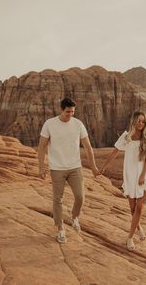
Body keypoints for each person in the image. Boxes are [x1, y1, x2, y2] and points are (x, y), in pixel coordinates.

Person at [38, 97, 100, 243]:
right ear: (61, 109)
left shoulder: (78, 124)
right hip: (57, 168)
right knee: (57, 199)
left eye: (72, 112)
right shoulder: (50, 124)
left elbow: (88, 147)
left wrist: (93, 167)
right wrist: (41, 167)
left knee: (80, 197)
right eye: (67, 112)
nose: (70, 114)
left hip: (75, 167)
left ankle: (74, 217)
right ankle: (60, 229)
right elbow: (41, 147)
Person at [100, 110, 146, 251]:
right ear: (133, 121)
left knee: (139, 207)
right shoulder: (126, 137)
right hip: (130, 175)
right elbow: (114, 153)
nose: (140, 124)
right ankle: (138, 227)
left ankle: (130, 237)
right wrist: (103, 167)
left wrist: (143, 175)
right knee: (132, 208)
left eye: (143, 121)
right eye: (138, 121)